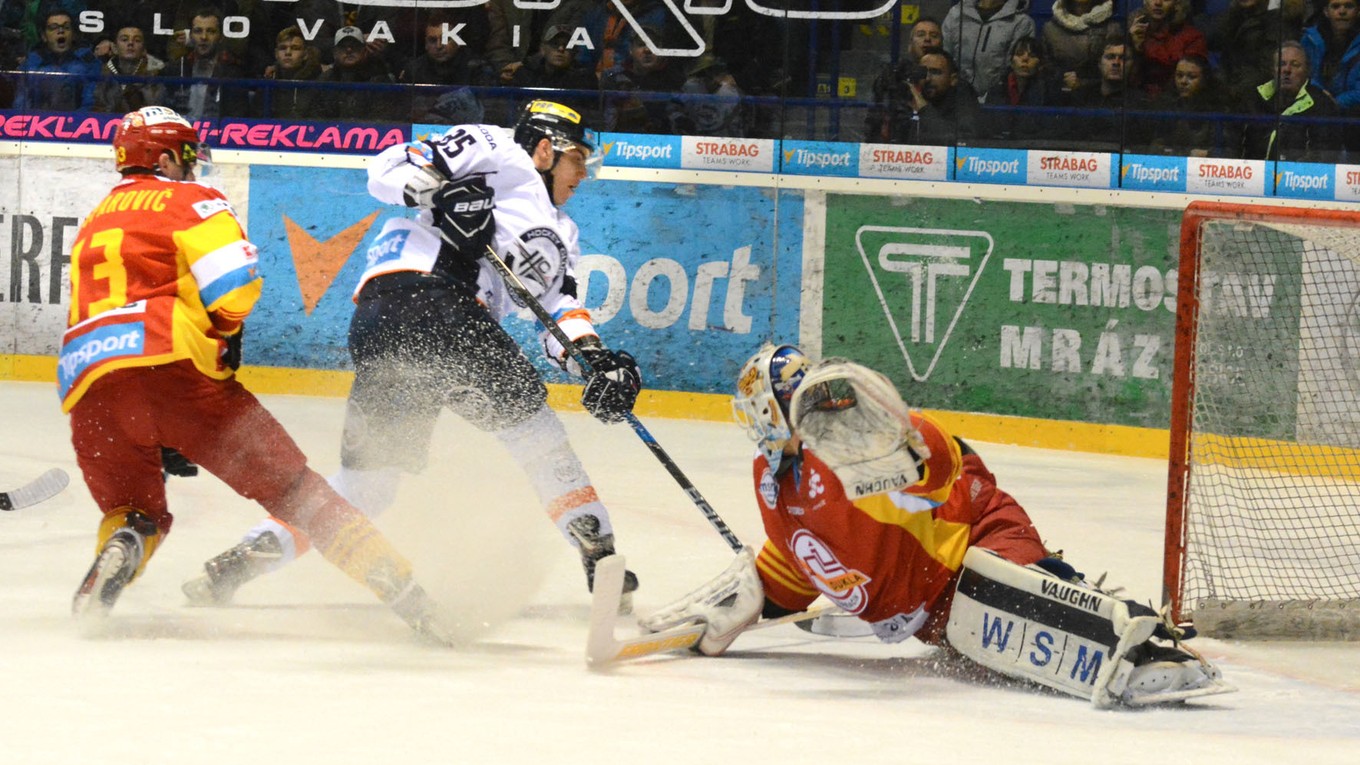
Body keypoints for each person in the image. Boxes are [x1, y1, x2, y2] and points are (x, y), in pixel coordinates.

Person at [182, 100, 644, 609]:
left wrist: (594, 359)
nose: (584, 172)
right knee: (535, 431)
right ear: (542, 149)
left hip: (391, 327)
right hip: (434, 303)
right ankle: (601, 561)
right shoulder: (499, 150)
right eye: (578, 157)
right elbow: (387, 167)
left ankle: (241, 560)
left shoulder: (566, 235)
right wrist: (441, 193)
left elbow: (558, 308)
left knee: (369, 482)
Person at [640, 345, 1230, 707]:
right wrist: (748, 601)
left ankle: (1147, 646)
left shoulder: (856, 436)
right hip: (933, 613)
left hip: (971, 539)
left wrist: (913, 458)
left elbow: (950, 464)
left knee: (1007, 580)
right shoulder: (773, 480)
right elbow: (806, 558)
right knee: (996, 642)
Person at [61, 106, 452, 644]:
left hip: (88, 388)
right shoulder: (190, 200)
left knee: (135, 509)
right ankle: (409, 596)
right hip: (177, 374)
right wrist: (218, 339)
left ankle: (124, 543)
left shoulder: (96, 216)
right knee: (301, 495)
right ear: (169, 157)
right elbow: (235, 284)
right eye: (188, 156)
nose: (192, 167)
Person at [1239, 40, 1345, 162]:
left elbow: (1324, 154)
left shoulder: (1322, 105)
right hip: (1252, 175)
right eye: (1281, 64)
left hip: (1299, 177)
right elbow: (1238, 141)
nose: (1287, 70)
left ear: (1307, 71)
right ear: (1272, 70)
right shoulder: (1255, 98)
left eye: (1295, 65)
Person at [979, 35, 1069, 144]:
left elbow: (1053, 131)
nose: (1025, 59)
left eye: (1032, 55)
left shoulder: (1050, 92)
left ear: (1040, 64)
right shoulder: (997, 90)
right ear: (1011, 61)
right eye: (1019, 54)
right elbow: (987, 128)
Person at [865, 18, 944, 141]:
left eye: (934, 35)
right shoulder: (892, 78)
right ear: (909, 46)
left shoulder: (952, 83)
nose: (927, 39)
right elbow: (873, 125)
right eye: (921, 34)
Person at [885, 48, 983, 146]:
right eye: (923, 72)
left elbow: (965, 142)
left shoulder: (962, 96)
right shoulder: (908, 96)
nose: (927, 78)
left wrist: (924, 109)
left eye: (935, 72)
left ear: (953, 79)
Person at [165, 6, 249, 120]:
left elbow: (236, 116)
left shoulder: (233, 72)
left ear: (220, 37)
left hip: (217, 134)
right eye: (198, 31)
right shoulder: (176, 68)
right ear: (190, 36)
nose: (204, 37)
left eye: (211, 31)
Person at [940, 0, 1036, 99]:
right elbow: (945, 57)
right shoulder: (955, 15)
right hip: (955, 99)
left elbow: (1013, 68)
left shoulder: (1021, 22)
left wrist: (992, 96)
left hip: (997, 102)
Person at [12, 8, 99, 112]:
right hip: (37, 122)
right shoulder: (31, 63)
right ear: (44, 36)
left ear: (73, 34)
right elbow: (20, 103)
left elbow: (91, 103)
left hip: (76, 123)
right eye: (53, 28)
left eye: (66, 27)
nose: (61, 31)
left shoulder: (88, 63)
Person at [313, 25, 398, 121]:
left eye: (354, 46)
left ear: (364, 51)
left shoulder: (378, 80)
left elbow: (384, 118)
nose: (349, 50)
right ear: (334, 53)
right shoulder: (324, 81)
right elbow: (316, 117)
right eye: (343, 47)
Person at [1041, 0, 1123, 97]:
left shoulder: (1112, 28)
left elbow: (1117, 72)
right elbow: (1047, 71)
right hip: (1061, 98)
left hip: (1101, 99)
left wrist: (1083, 84)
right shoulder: (1051, 29)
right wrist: (1063, 80)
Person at [1129, 0, 1209, 97]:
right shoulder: (1133, 31)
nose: (1158, 2)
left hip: (1176, 102)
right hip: (1135, 100)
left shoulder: (1193, 38)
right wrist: (1135, 49)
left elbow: (1191, 81)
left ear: (1177, 3)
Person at [1301, 0, 1360, 112]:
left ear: (1358, 10)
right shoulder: (1309, 40)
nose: (1342, 11)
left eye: (1349, 6)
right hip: (1314, 108)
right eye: (1335, 6)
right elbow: (1304, 78)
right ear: (1326, 11)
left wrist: (1335, 102)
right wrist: (1321, 96)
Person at [93, 23, 166, 113]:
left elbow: (155, 111)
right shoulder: (102, 72)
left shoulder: (154, 76)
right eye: (124, 39)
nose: (130, 43)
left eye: (137, 40)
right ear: (115, 48)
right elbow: (98, 108)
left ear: (144, 50)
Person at [258, 25, 322, 120]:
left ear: (305, 54)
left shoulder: (319, 82)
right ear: (276, 54)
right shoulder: (268, 83)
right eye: (283, 48)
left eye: (295, 48)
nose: (288, 52)